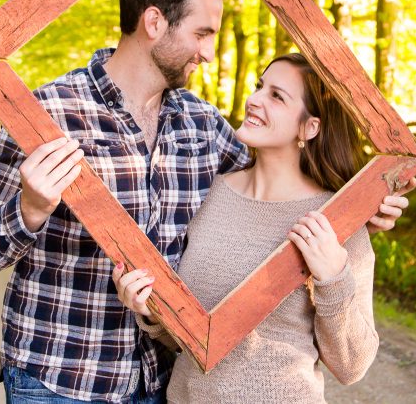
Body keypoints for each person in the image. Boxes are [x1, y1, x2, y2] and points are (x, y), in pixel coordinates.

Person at [0, 0, 413, 404]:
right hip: (62, 378)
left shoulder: (205, 127)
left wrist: (365, 206)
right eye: (202, 33)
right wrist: (30, 210)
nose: (210, 53)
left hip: (161, 382)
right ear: (154, 22)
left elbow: (283, 185)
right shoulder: (48, 114)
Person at [113, 52, 381, 402]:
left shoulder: (335, 220)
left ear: (309, 127)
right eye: (259, 87)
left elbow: (352, 366)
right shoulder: (209, 195)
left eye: (277, 96)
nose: (254, 100)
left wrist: (334, 277)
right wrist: (150, 311)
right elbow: (193, 342)